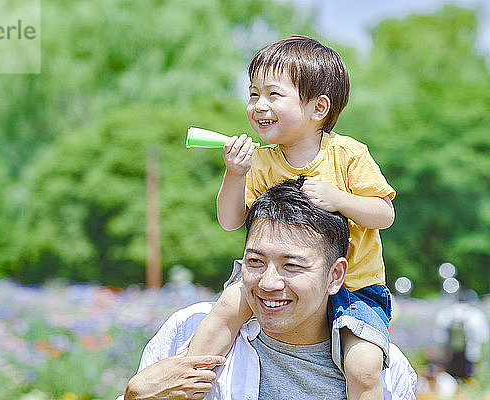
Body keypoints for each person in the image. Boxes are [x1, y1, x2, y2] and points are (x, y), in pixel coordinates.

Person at [187, 35, 396, 400]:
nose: (258, 105)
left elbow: (384, 214)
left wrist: (339, 199)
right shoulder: (263, 161)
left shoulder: (347, 154)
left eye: (273, 94)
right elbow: (231, 220)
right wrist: (235, 174)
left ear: (318, 108)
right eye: (253, 94)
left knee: (362, 366)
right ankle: (183, 383)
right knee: (224, 310)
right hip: (276, 277)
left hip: (357, 287)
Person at [122, 179, 416, 399]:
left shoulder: (383, 371)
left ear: (335, 276)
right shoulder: (188, 330)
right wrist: (136, 395)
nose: (268, 283)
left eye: (292, 266)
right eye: (255, 261)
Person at [434, 289, 490, 380]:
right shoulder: (475, 313)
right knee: (468, 377)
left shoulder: (447, 312)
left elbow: (440, 336)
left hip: (451, 352)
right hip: (469, 353)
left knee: (452, 376)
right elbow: (482, 336)